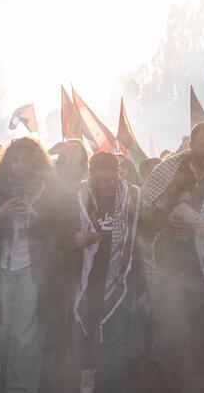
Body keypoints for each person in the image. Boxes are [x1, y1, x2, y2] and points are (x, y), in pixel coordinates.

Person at [0, 137, 66, 393]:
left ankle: (21, 388)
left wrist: (36, 217)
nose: (20, 166)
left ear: (37, 163)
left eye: (27, 161)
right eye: (16, 160)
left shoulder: (51, 188)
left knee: (25, 335)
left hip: (32, 269)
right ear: (7, 161)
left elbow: (63, 230)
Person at [139, 122, 204, 392]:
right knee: (172, 328)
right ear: (191, 144)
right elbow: (144, 213)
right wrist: (167, 217)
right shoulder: (168, 170)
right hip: (170, 263)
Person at [72, 152, 141, 393]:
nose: (103, 185)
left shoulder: (133, 196)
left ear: (118, 174)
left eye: (108, 180)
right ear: (90, 173)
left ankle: (114, 386)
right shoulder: (78, 195)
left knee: (116, 339)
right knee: (85, 330)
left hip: (121, 278)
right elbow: (60, 229)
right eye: (98, 179)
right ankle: (87, 375)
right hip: (87, 277)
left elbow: (141, 234)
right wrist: (74, 239)